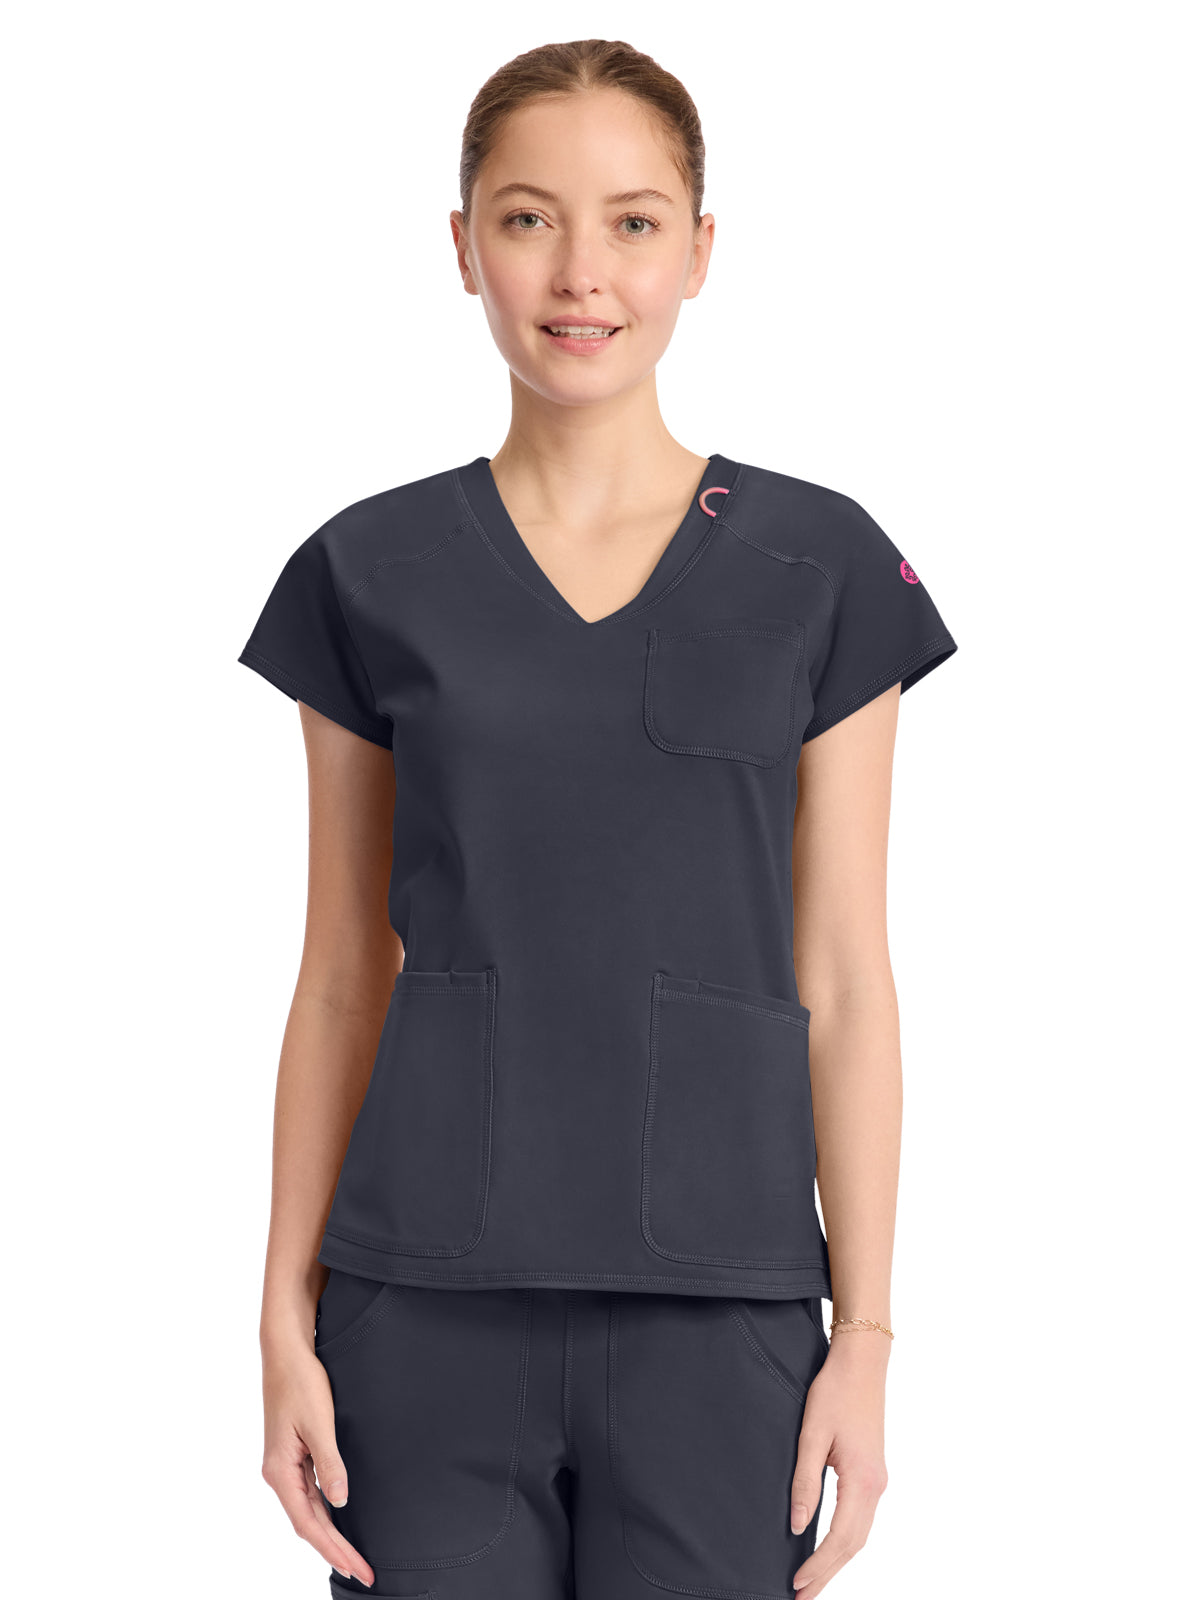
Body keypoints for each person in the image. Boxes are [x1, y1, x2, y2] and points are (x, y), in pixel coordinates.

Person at [239, 37, 958, 1600]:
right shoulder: (368, 572)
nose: (582, 273)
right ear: (462, 247)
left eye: (634, 222)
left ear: (701, 250)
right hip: (418, 1310)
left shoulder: (817, 568)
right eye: (528, 219)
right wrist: (283, 1319)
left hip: (725, 1320)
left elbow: (844, 975)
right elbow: (344, 975)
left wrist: (867, 1335)